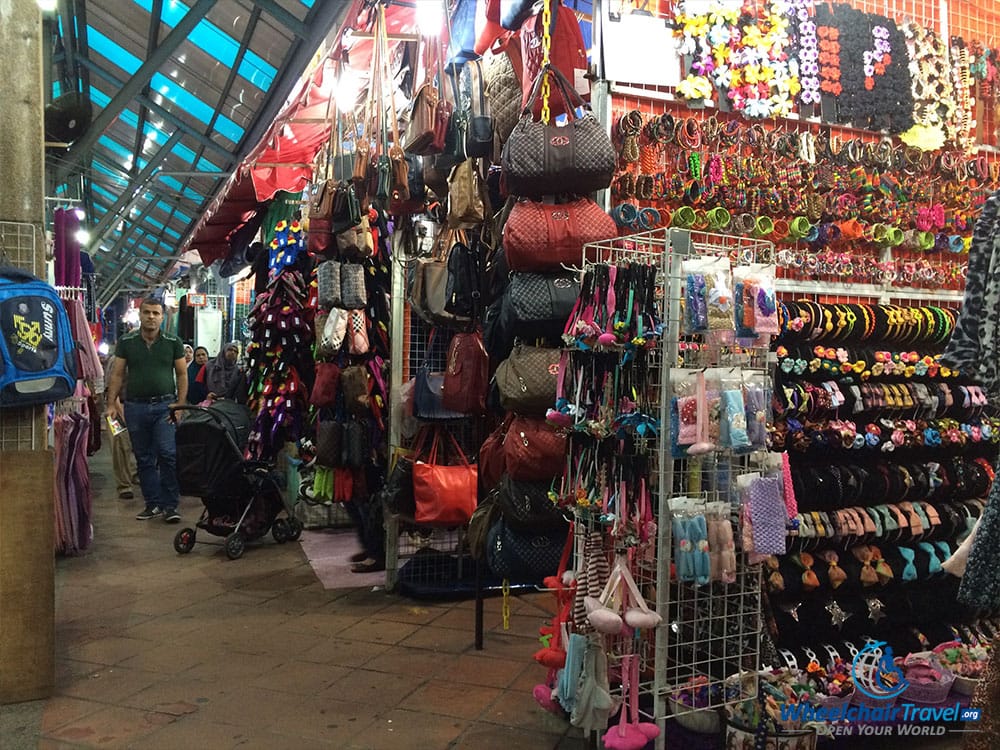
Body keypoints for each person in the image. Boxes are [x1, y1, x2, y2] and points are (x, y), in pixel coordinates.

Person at [105, 297, 188, 523]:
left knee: (168, 454)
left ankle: (170, 505)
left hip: (165, 406)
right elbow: (118, 374)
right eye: (147, 313)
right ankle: (153, 504)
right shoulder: (127, 342)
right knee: (143, 458)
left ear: (162, 317)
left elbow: (182, 374)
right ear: (140, 315)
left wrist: (179, 405)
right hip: (136, 407)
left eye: (156, 313)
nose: (151, 317)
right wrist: (111, 404)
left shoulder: (173, 342)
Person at [102, 355, 138, 500]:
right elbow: (111, 387)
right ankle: (124, 485)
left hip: (136, 406)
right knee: (120, 445)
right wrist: (120, 411)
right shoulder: (117, 359)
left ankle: (134, 474)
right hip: (116, 409)